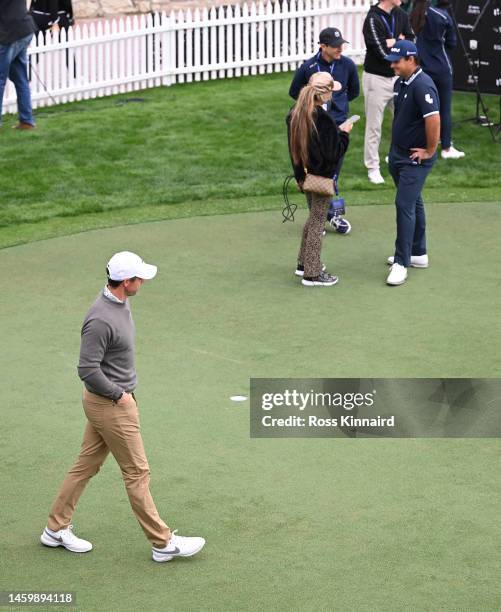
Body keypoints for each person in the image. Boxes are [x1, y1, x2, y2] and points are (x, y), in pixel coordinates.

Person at [41, 251, 205, 563]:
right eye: (138, 278)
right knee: (137, 471)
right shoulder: (100, 319)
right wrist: (120, 395)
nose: (142, 282)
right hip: (111, 406)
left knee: (86, 465)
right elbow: (87, 370)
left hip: (110, 403)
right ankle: (163, 542)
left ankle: (54, 529)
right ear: (125, 282)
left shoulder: (118, 300)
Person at [287, 72, 352, 287]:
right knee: (317, 222)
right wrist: (343, 134)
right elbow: (334, 154)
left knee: (312, 219)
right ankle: (312, 274)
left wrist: (299, 176)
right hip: (321, 178)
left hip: (305, 177)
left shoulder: (295, 113)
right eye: (331, 92)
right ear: (323, 94)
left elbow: (293, 150)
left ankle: (303, 263)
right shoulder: (323, 119)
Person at [384, 40, 440, 286]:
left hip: (414, 158)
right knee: (414, 202)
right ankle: (418, 253)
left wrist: (429, 150)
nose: (393, 65)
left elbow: (434, 120)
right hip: (398, 154)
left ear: (411, 59)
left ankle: (401, 262)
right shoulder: (401, 83)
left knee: (403, 203)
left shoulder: (423, 84)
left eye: (397, 61)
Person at [289, 27, 359, 181]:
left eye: (341, 44)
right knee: (316, 175)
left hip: (337, 124)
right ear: (323, 46)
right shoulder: (308, 67)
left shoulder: (348, 65)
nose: (340, 48)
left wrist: (339, 105)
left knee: (333, 173)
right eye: (335, 45)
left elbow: (354, 92)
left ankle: (324, 202)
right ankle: (321, 203)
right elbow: (295, 92)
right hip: (315, 125)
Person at [362, 0, 414, 184]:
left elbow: (411, 41)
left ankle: (394, 158)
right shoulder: (372, 19)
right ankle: (372, 168)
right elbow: (381, 51)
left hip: (397, 78)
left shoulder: (401, 14)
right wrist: (400, 42)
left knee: (401, 121)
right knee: (374, 126)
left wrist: (395, 41)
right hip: (377, 79)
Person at [410, 0, 464, 159]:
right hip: (441, 69)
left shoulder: (412, 14)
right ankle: (446, 148)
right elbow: (452, 43)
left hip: (420, 69)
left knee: (420, 109)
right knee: (444, 109)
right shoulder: (443, 16)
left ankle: (419, 144)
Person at [0, 0, 37, 130]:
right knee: (20, 77)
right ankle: (27, 121)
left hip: (8, 33)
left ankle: (27, 121)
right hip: (25, 29)